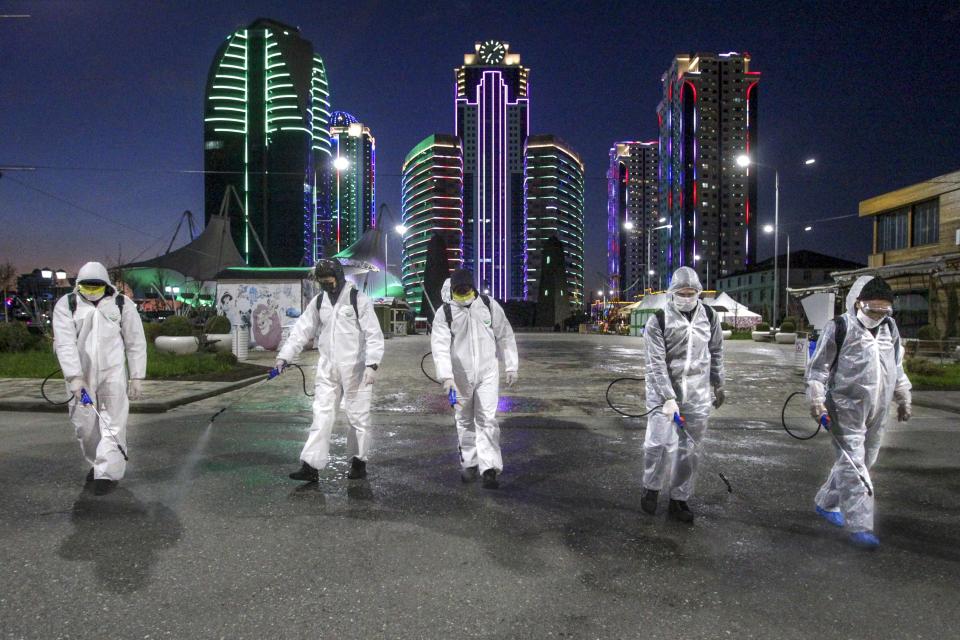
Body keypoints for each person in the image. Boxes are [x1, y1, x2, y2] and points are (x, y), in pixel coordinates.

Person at [806, 275, 911, 549]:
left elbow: (896, 365)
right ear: (857, 303)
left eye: (883, 310)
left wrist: (903, 396)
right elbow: (817, 370)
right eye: (871, 309)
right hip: (845, 409)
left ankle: (827, 502)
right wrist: (817, 400)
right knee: (854, 465)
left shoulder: (890, 328)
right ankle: (860, 525)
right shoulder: (840, 327)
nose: (877, 315)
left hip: (878, 408)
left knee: (863, 460)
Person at [276, 259, 384, 482]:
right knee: (321, 415)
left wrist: (372, 364)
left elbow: (373, 334)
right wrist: (284, 356)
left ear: (340, 277)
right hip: (328, 367)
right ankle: (311, 465)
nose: (327, 286)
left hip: (356, 368)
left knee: (358, 417)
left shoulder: (358, 300)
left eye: (330, 282)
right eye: (323, 283)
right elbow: (301, 331)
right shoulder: (318, 302)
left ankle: (358, 461)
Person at [52, 261, 147, 496]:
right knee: (85, 426)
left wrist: (136, 377)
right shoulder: (67, 305)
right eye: (87, 285)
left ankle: (107, 473)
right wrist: (74, 377)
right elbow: (64, 343)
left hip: (113, 373)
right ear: (78, 285)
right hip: (81, 377)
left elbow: (135, 342)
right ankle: (97, 463)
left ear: (106, 285)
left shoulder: (122, 305)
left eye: (97, 285)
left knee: (114, 422)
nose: (92, 289)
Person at [640, 266, 724, 523]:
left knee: (689, 451)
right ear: (672, 293)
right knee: (657, 444)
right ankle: (651, 488)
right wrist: (667, 397)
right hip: (662, 395)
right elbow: (655, 363)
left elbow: (717, 352)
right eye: (682, 293)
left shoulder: (709, 316)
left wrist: (719, 383)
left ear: (699, 292)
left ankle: (679, 499)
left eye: (691, 293)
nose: (686, 297)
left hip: (697, 396)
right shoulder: (659, 319)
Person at [431, 269, 518, 489]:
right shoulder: (445, 313)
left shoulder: (489, 306)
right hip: (457, 379)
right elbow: (439, 346)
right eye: (458, 290)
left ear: (473, 287)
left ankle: (489, 468)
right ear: (452, 290)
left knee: (487, 420)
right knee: (463, 420)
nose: (463, 293)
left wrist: (511, 366)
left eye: (466, 289)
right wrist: (446, 377)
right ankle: (469, 463)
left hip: (488, 373)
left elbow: (505, 335)